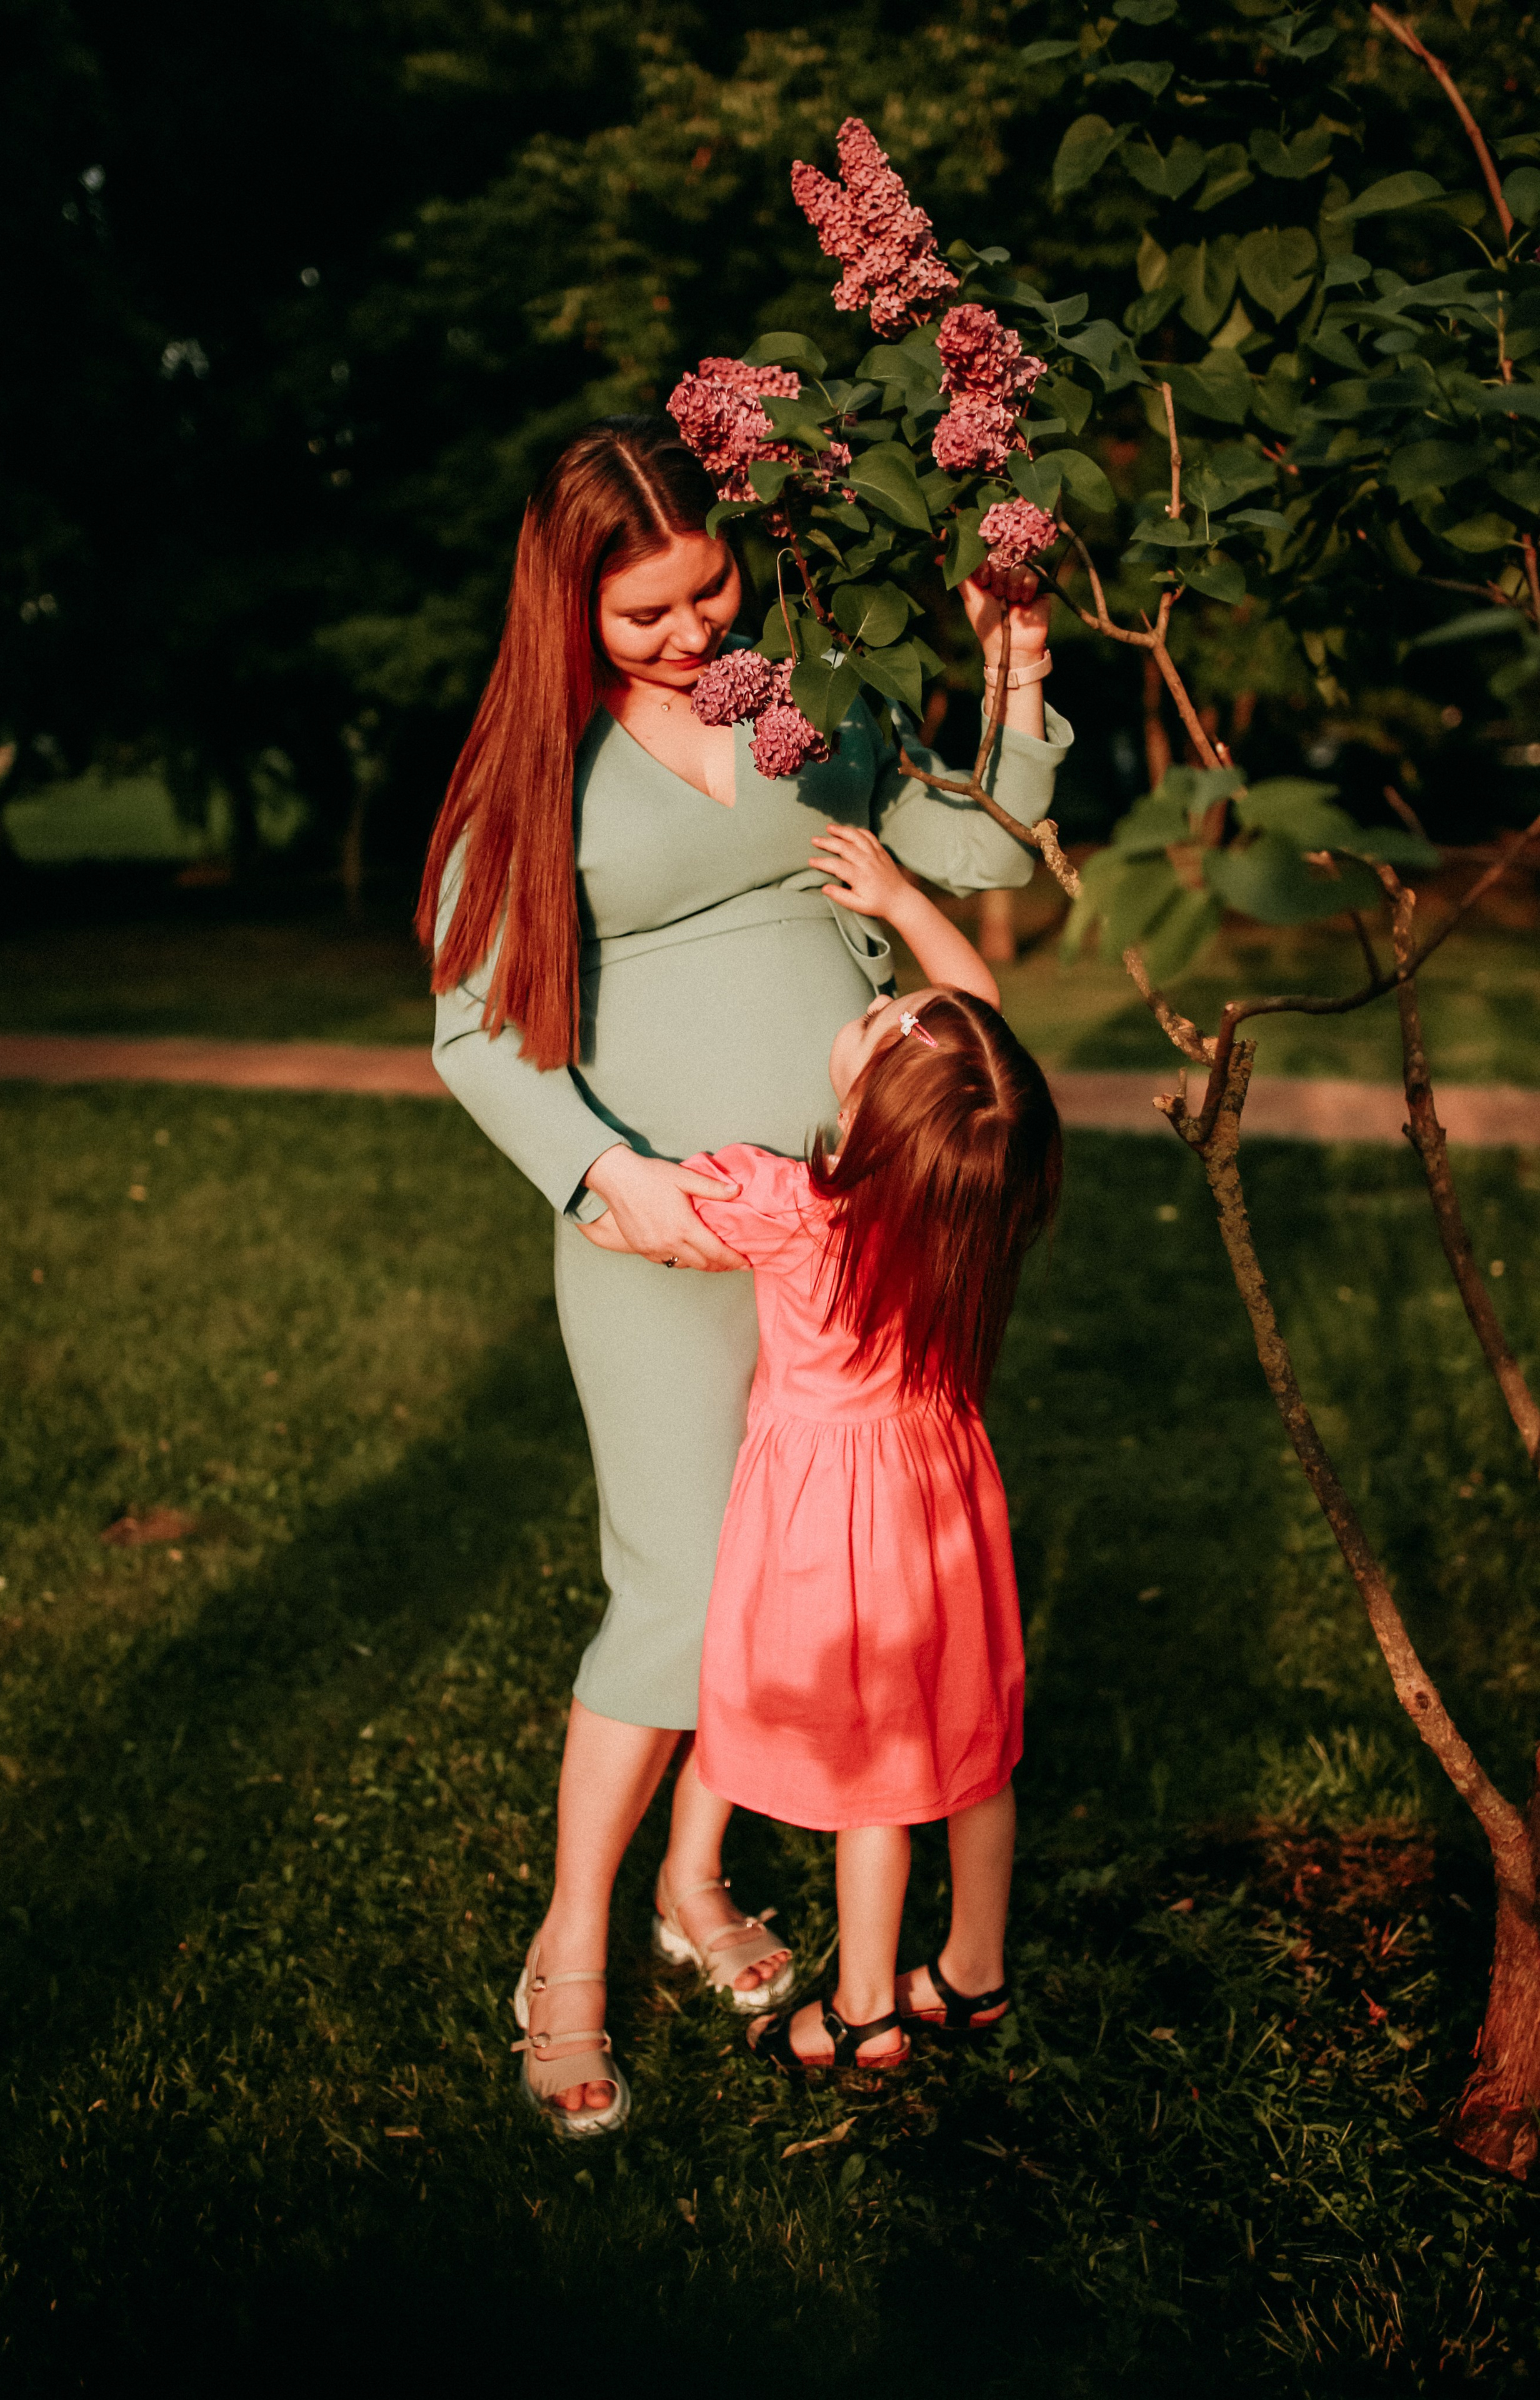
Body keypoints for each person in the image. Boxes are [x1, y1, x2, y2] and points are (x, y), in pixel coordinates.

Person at [418, 416, 1071, 2133]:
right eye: (646, 620)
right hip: (665, 1232)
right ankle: (569, 1949)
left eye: (709, 590)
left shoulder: (797, 700)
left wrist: (1014, 687)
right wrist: (604, 1175)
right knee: (687, 1587)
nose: (694, 637)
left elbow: (983, 856)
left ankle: (693, 1889)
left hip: (867, 1239)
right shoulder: (542, 766)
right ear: (570, 615)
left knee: (834, 1570)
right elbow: (473, 1031)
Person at [592, 827, 1061, 2072]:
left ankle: (860, 2016)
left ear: (862, 1103)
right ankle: (970, 1974)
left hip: (829, 1515)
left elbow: (626, 1220)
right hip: (942, 1491)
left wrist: (631, 1196)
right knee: (963, 1741)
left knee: (876, 1788)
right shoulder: (974, 1178)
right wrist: (903, 900)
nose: (882, 1001)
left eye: (883, 1013)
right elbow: (978, 1021)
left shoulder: (792, 1207)